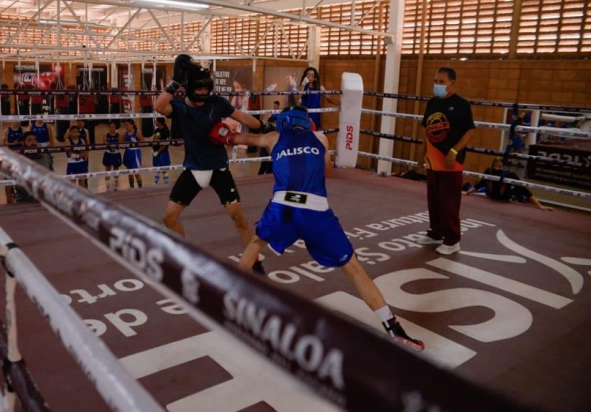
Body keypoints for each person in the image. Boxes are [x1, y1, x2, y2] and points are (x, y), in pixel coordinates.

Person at [209, 105, 424, 351]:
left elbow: (236, 138)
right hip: (315, 211)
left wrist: (218, 130)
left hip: (283, 208)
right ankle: (394, 328)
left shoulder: (273, 137)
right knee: (353, 267)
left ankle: (225, 299)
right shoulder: (320, 138)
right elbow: (328, 172)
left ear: (284, 122)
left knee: (255, 244)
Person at [153, 54, 266, 248]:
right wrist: (175, 82)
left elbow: (243, 118)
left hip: (219, 170)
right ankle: (187, 255)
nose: (203, 92)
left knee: (239, 218)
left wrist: (264, 125)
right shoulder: (180, 108)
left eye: (206, 88)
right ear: (190, 88)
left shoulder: (216, 103)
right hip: (193, 170)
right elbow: (158, 106)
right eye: (199, 88)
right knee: (169, 218)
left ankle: (254, 263)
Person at [416, 67, 476, 256]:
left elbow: (470, 131)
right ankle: (436, 233)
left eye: (441, 82)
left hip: (451, 161)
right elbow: (426, 130)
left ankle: (452, 240)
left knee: (449, 202)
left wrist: (454, 151)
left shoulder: (461, 105)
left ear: (452, 83)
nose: (437, 85)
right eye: (436, 81)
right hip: (433, 160)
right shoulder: (432, 103)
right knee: (433, 200)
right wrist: (421, 154)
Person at [465, 157, 553, 211]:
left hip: (504, 198)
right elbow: (480, 184)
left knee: (517, 189)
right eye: (495, 166)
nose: (497, 168)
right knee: (482, 187)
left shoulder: (509, 174)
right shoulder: (489, 171)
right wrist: (468, 192)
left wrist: (540, 206)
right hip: (491, 195)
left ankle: (517, 197)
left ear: (504, 167)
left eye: (499, 166)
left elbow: (524, 190)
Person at [13, 131, 53, 203]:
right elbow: (7, 182)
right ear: (23, 143)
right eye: (29, 140)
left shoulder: (45, 155)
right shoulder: (16, 159)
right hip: (23, 201)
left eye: (35, 140)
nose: (33, 142)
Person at [1, 121, 24, 203]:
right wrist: (12, 143)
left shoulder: (22, 129)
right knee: (9, 175)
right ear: (13, 121)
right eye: (16, 121)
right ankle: (9, 197)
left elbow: (25, 140)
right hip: (10, 155)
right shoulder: (7, 130)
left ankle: (19, 193)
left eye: (18, 121)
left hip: (20, 155)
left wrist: (22, 143)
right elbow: (3, 143)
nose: (17, 123)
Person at [258, 100, 281, 175]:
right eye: (273, 105)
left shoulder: (279, 115)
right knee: (264, 168)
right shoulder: (269, 131)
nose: (274, 107)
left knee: (268, 169)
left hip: (269, 152)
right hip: (266, 153)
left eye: (275, 105)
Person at [65, 124, 89, 188]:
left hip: (81, 163)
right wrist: (80, 156)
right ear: (70, 132)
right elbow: (70, 154)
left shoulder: (82, 140)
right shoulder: (68, 141)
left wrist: (81, 156)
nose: (75, 133)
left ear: (78, 133)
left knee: (82, 184)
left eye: (76, 132)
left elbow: (85, 152)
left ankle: (81, 197)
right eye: (73, 131)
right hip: (72, 164)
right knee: (72, 185)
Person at [122, 119, 143, 189]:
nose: (126, 127)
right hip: (128, 152)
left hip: (135, 153)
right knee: (129, 171)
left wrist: (136, 143)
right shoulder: (125, 134)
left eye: (127, 125)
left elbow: (143, 143)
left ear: (132, 125)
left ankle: (140, 187)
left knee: (136, 171)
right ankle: (131, 186)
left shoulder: (137, 133)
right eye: (125, 125)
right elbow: (122, 144)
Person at [102, 122, 122, 192]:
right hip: (108, 153)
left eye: (113, 127)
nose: (112, 128)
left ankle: (116, 185)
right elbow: (104, 143)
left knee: (116, 169)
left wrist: (112, 145)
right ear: (109, 127)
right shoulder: (105, 135)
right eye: (110, 127)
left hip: (116, 153)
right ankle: (107, 187)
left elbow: (119, 144)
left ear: (115, 127)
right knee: (107, 169)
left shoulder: (118, 135)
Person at [151, 117, 171, 186]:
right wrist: (153, 149)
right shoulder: (157, 130)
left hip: (163, 153)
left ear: (160, 123)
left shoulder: (165, 131)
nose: (155, 123)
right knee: (157, 168)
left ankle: (166, 184)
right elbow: (155, 139)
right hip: (156, 152)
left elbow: (165, 144)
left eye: (156, 121)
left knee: (164, 169)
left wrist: (158, 151)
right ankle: (154, 184)